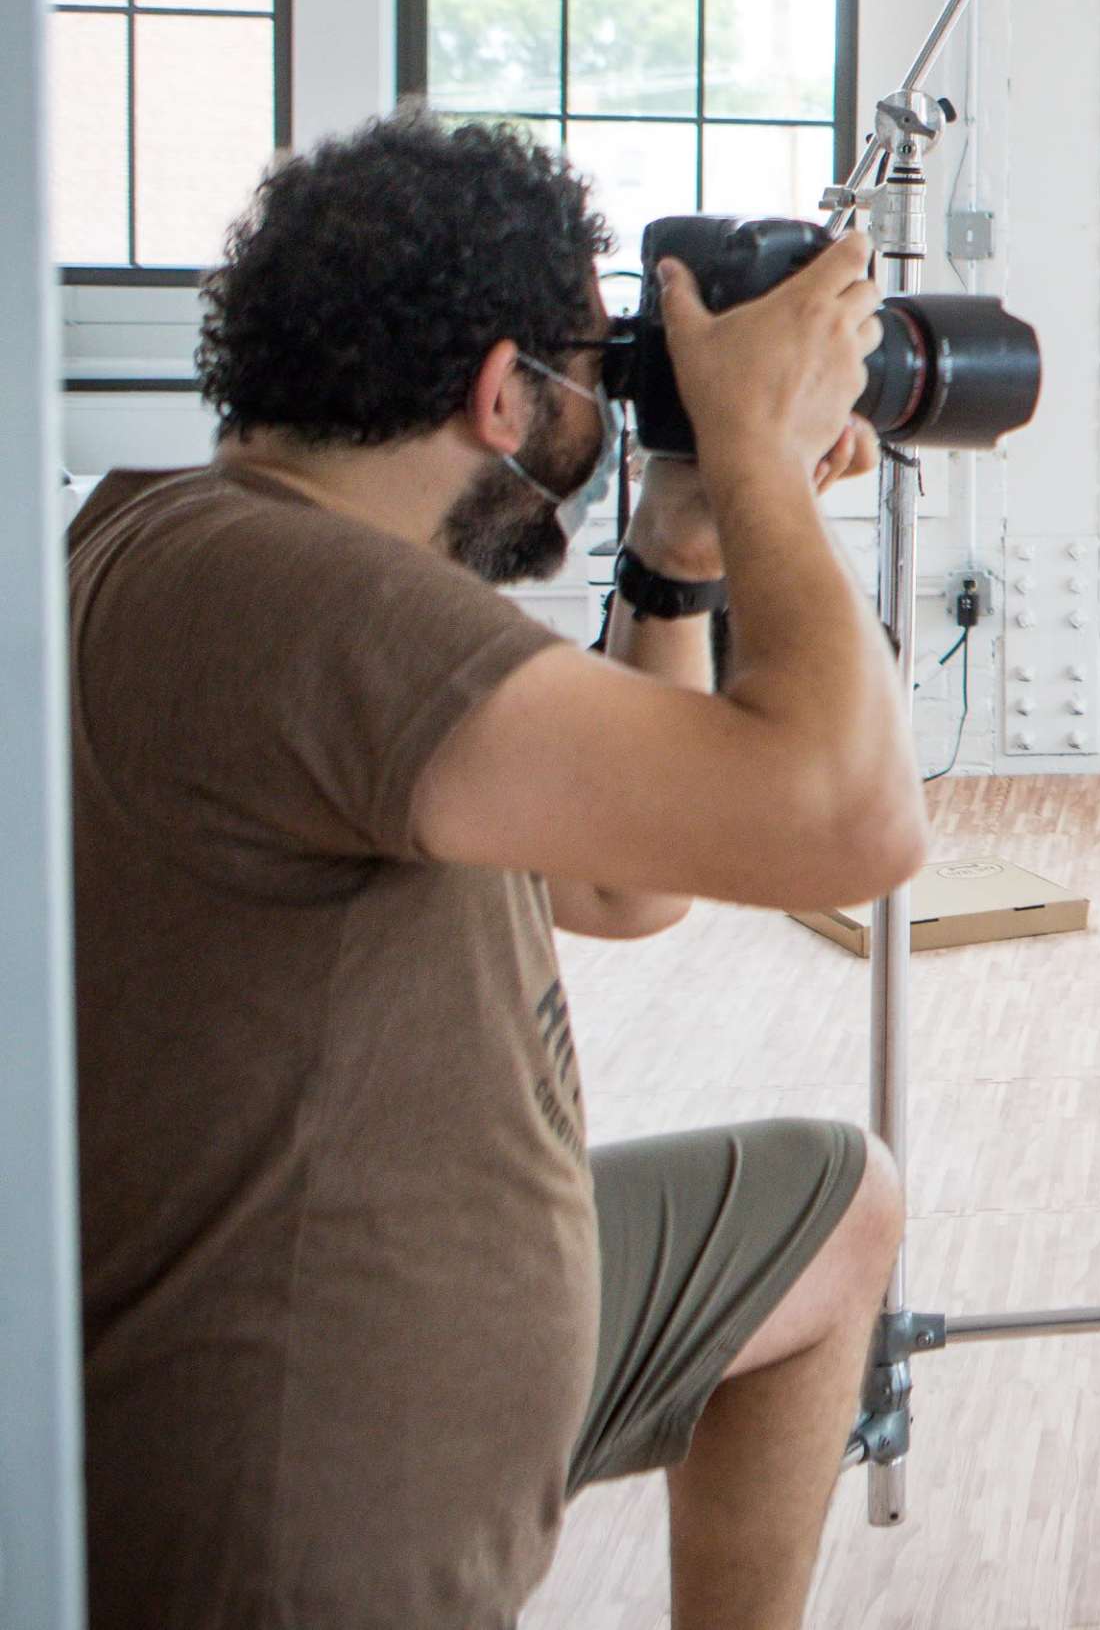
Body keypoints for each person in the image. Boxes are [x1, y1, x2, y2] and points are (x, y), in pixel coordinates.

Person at [70, 112, 927, 1628]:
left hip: (426, 1305)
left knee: (829, 1204)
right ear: (499, 393)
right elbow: (851, 823)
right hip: (308, 1494)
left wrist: (679, 542)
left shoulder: (208, 546)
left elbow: (620, 887)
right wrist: (762, 456)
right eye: (588, 382)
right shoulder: (311, 608)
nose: (602, 423)